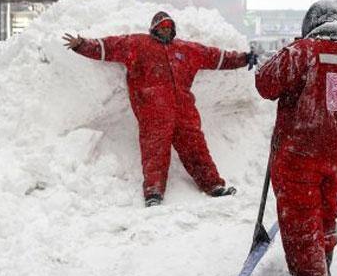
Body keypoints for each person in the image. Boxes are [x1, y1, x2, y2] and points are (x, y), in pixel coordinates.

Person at [63, 11, 257, 207]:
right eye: (162, 27)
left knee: (196, 148)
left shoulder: (186, 49)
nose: (166, 30)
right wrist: (82, 45)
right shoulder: (138, 44)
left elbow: (215, 56)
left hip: (184, 110)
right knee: (154, 151)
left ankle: (213, 185)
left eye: (169, 27)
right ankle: (153, 192)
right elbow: (110, 46)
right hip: (152, 111)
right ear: (153, 28)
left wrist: (243, 58)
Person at [255, 1, 337, 276]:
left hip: (300, 153)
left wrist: (283, 54)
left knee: (300, 216)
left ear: (311, 24)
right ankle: (324, 264)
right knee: (325, 211)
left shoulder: (302, 51)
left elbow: (265, 84)